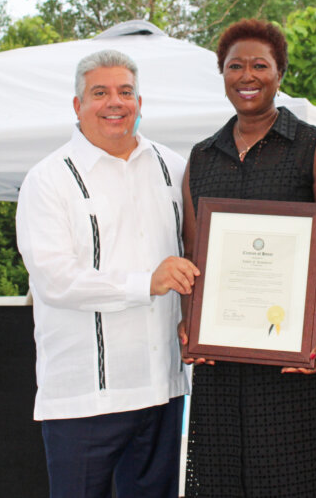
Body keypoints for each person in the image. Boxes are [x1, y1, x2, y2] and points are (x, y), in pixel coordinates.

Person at [178, 18, 316, 497]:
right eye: (234, 66)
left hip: (300, 354)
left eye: (259, 65)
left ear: (280, 73)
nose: (246, 76)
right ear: (222, 73)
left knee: (303, 475)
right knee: (227, 476)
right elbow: (194, 253)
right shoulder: (201, 157)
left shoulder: (313, 148)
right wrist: (192, 324)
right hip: (223, 362)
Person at [16, 49, 200, 498]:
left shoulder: (173, 168)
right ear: (77, 105)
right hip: (85, 399)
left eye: (125, 92)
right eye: (100, 92)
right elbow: (54, 279)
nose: (114, 102)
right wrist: (145, 282)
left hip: (163, 390)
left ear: (140, 102)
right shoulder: (48, 180)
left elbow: (198, 254)